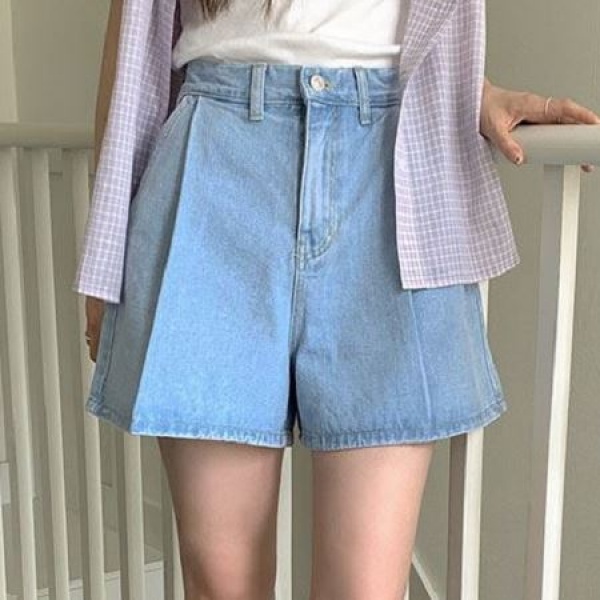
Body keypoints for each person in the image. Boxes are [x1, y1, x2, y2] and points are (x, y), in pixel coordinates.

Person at [73, 0, 600, 598]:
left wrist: (469, 91)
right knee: (223, 583)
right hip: (216, 168)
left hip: (390, 173)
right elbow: (131, 43)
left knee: (364, 588)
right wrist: (106, 252)